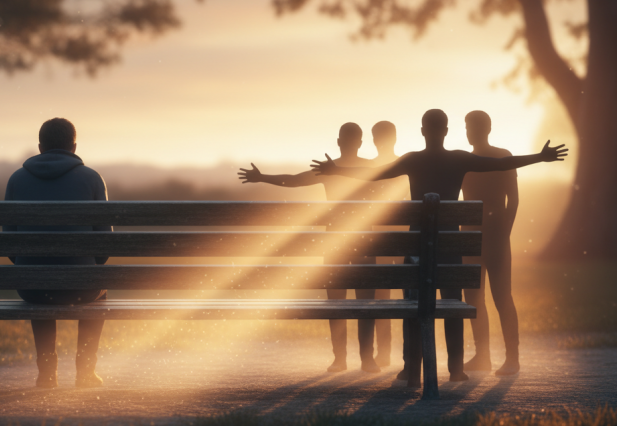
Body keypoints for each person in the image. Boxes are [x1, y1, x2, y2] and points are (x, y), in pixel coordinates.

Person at [310, 109, 567, 382]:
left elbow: (374, 173)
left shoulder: (412, 160)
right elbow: (502, 164)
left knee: (412, 302)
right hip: (450, 245)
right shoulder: (459, 159)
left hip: (417, 246)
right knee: (453, 301)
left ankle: (412, 367)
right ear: (446, 131)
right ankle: (456, 368)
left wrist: (337, 170)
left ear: (423, 131)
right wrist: (540, 157)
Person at [238, 123, 381, 373]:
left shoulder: (328, 169)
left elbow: (294, 181)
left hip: (334, 239)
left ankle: (340, 359)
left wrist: (262, 177)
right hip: (364, 240)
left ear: (339, 142)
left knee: (336, 300)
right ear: (360, 143)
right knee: (366, 301)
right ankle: (367, 359)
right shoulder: (368, 168)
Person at [3, 118, 111, 388]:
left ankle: (47, 373)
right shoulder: (92, 179)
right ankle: (85, 371)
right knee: (99, 288)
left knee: (37, 277)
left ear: (40, 147)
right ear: (74, 147)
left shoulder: (17, 179)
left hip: (33, 288)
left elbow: (9, 245)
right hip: (81, 288)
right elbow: (105, 247)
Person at [461, 110, 521, 376]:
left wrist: (504, 232)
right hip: (480, 236)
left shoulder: (474, 160)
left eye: (471, 127)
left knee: (500, 297)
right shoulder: (496, 157)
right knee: (476, 298)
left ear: (486, 129)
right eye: (467, 127)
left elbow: (514, 200)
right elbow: (513, 200)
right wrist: (504, 232)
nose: (469, 132)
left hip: (484, 235)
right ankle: (484, 356)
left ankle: (511, 358)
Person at [365, 121, 411, 367]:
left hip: (379, 237)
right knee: (407, 296)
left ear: (374, 140)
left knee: (381, 296)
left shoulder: (368, 168)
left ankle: (383, 352)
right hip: (404, 237)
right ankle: (407, 355)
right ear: (395, 139)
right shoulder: (406, 166)